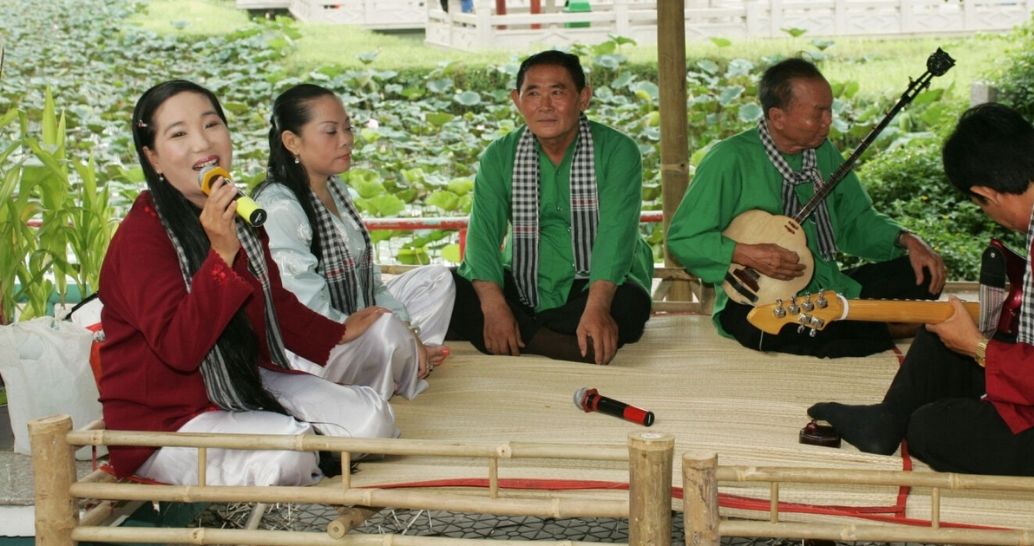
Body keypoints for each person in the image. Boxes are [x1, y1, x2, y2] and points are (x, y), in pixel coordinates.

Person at [808, 104, 1034, 479]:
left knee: (931, 428)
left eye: (980, 205)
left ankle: (908, 420)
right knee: (941, 331)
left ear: (987, 194)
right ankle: (886, 420)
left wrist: (978, 347)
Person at [98, 81, 398, 487]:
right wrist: (221, 256)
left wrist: (340, 331)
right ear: (153, 158)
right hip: (167, 417)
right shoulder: (140, 238)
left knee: (372, 419)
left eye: (211, 124)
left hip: (243, 379)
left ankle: (300, 444)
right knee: (285, 454)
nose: (202, 142)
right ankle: (300, 449)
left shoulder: (240, 215)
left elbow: (275, 303)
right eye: (179, 134)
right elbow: (180, 349)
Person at [668, 57, 946, 358]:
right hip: (762, 299)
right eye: (818, 114)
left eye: (829, 110)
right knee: (774, 329)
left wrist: (907, 239)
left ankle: (865, 320)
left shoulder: (823, 154)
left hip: (828, 285)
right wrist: (747, 254)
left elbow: (855, 220)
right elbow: (684, 239)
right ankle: (889, 326)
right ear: (778, 117)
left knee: (923, 272)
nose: (829, 121)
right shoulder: (729, 159)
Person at [447, 50, 653, 364]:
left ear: (583, 98)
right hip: (525, 275)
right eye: (533, 94)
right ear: (517, 100)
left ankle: (524, 336)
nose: (544, 106)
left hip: (597, 281)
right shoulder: (500, 155)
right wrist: (495, 308)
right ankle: (563, 345)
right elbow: (483, 237)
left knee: (630, 305)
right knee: (450, 289)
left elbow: (615, 236)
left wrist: (597, 308)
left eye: (557, 93)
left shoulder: (617, 150)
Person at [254, 84, 455, 401]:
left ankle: (406, 357)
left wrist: (406, 327)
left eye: (347, 127)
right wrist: (383, 328)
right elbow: (306, 312)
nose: (346, 139)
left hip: (357, 314)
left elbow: (368, 277)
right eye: (331, 132)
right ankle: (400, 363)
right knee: (387, 327)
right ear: (292, 142)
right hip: (316, 347)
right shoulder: (280, 207)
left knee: (438, 280)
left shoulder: (336, 189)